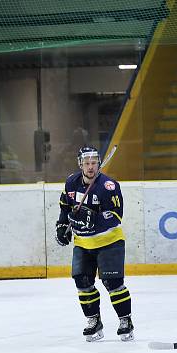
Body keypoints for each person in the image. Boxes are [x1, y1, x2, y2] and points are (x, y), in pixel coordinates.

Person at [56, 145, 133, 342]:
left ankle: (125, 320)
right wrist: (62, 225)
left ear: (99, 163)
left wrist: (93, 218)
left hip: (109, 242)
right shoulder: (71, 183)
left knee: (113, 283)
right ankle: (94, 321)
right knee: (82, 282)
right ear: (80, 164)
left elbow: (116, 216)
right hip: (82, 243)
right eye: (87, 163)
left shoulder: (109, 186)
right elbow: (65, 207)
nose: (91, 167)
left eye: (94, 163)